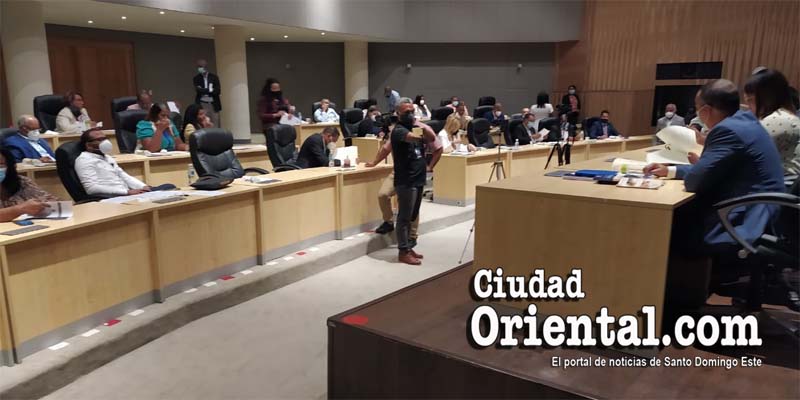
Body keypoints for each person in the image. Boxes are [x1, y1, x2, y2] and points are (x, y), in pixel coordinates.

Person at [644, 79, 784, 253]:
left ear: (706, 111)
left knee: (664, 225)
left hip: (746, 220)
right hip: (764, 211)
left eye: (697, 108)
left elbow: (694, 181)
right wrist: (670, 170)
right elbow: (709, 169)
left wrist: (692, 172)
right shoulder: (746, 121)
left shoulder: (727, 130)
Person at [390, 98, 443, 265]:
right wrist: (419, 129)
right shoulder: (398, 130)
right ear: (398, 114)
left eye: (412, 111)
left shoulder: (414, 127)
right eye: (407, 112)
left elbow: (432, 138)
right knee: (404, 218)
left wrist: (420, 125)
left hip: (418, 178)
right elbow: (415, 139)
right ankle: (402, 251)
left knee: (412, 216)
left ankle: (409, 247)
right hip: (406, 180)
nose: (411, 114)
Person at [76, 129, 174, 197]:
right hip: (112, 197)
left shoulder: (107, 157)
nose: (105, 142)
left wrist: (143, 187)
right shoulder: (84, 160)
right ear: (88, 145)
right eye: (99, 140)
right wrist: (126, 192)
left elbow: (124, 176)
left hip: (127, 193)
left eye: (105, 138)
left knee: (169, 187)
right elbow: (91, 188)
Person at [743, 69, 800, 175]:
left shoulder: (778, 119)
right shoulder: (786, 116)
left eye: (750, 100)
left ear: (767, 97)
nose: (748, 106)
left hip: (782, 182)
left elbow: (742, 154)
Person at [0, 146, 59, 222]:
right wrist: (21, 209)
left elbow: (49, 200)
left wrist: (44, 204)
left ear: (11, 166)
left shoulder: (22, 182)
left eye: (0, 164)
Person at [193, 59, 221, 128]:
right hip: (202, 104)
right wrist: (210, 90)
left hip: (213, 104)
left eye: (201, 66)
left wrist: (204, 90)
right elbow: (198, 90)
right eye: (198, 67)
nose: (199, 68)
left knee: (215, 124)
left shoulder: (214, 77)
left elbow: (217, 91)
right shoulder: (196, 78)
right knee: (203, 123)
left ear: (205, 67)